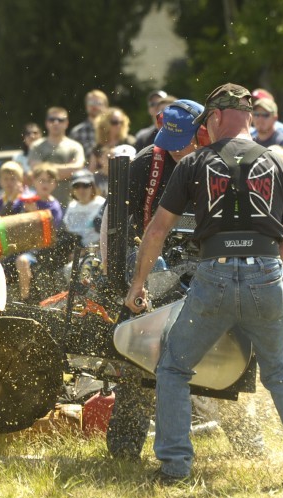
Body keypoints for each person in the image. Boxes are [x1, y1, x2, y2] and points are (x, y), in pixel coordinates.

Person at [125, 83, 283, 488]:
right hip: (266, 272)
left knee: (173, 367)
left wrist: (137, 285)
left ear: (216, 117)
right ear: (249, 117)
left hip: (214, 274)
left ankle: (175, 468)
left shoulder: (193, 163)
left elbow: (157, 230)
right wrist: (281, 291)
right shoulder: (281, 166)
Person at [103, 99, 207, 461]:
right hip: (151, 271)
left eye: (184, 142)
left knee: (222, 355)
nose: (176, 150)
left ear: (202, 133)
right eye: (171, 142)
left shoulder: (218, 164)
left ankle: (250, 442)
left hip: (204, 271)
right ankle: (125, 448)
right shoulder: (149, 161)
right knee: (141, 353)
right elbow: (114, 223)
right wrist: (132, 280)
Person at [15, 163, 63, 300]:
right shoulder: (25, 199)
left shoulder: (54, 206)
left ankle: (24, 298)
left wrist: (34, 213)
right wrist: (15, 195)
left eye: (49, 180)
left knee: (22, 261)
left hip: (40, 250)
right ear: (34, 182)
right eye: (41, 180)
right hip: (21, 244)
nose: (45, 184)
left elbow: (50, 232)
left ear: (55, 184)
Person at [28, 107, 86, 205]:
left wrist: (45, 169)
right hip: (39, 203)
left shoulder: (75, 146)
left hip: (68, 202)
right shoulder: (36, 146)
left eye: (60, 120)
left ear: (66, 123)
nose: (56, 123)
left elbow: (77, 169)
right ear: (46, 123)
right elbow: (36, 169)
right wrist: (66, 169)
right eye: (52, 120)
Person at [252, 97, 283, 168]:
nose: (260, 118)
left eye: (265, 115)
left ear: (275, 118)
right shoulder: (250, 143)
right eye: (256, 114)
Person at [63, 169, 105, 247]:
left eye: (85, 185)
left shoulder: (102, 204)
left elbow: (106, 235)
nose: (81, 190)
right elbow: (68, 229)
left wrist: (85, 251)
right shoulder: (72, 206)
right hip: (73, 249)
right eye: (77, 186)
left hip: (94, 251)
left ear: (92, 187)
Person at [69, 89, 109, 158]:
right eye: (91, 102)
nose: (94, 106)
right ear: (86, 106)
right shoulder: (77, 131)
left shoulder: (114, 127)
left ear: (106, 107)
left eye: (98, 103)